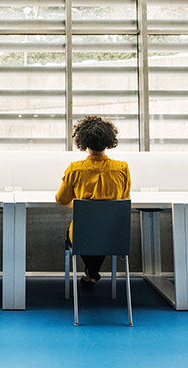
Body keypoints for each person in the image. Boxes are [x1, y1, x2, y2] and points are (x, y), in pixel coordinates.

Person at [55, 115, 131, 286]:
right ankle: (91, 272)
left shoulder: (76, 169)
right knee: (101, 231)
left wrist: (79, 203)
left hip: (83, 236)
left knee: (82, 232)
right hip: (114, 237)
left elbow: (61, 199)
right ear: (109, 141)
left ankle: (91, 272)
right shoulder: (122, 168)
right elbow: (124, 199)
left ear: (83, 142)